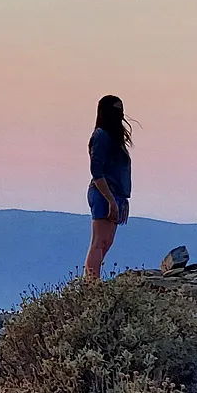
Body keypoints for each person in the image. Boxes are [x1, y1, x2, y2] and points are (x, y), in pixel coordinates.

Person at [84, 95, 132, 279]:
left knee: (106, 242)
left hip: (115, 194)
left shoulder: (112, 138)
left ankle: (91, 281)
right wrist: (110, 199)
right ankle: (91, 284)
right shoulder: (101, 136)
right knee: (99, 241)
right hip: (104, 193)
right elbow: (97, 171)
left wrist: (121, 199)